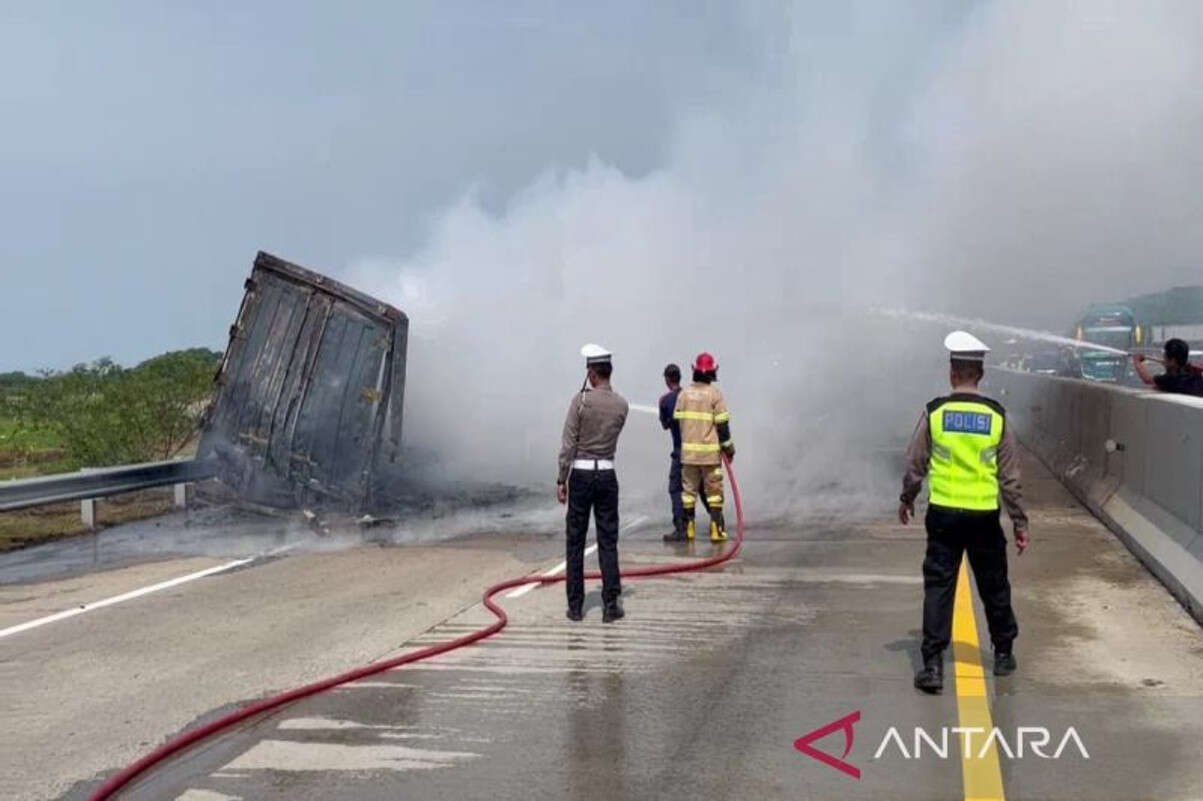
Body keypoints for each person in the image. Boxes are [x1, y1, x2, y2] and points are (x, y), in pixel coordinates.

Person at [899, 331, 1030, 694]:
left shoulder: (936, 412)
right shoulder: (996, 416)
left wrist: (907, 498)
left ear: (953, 373)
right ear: (980, 375)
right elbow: (1011, 476)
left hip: (943, 514)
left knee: (939, 587)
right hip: (983, 516)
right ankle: (1003, 653)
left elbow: (915, 462)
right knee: (993, 585)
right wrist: (1020, 522)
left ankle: (932, 666)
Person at [557, 343, 630, 623]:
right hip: (607, 475)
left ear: (592, 373)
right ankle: (611, 604)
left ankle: (575, 606)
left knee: (575, 540)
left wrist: (562, 478)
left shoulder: (581, 401)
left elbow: (568, 444)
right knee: (608, 540)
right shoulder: (622, 405)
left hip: (582, 475)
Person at [673, 352, 735, 542]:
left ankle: (689, 527)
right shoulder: (715, 395)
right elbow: (723, 427)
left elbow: (678, 422)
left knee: (688, 492)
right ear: (712, 373)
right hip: (709, 455)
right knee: (714, 493)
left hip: (689, 455)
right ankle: (716, 529)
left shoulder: (683, 394)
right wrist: (729, 448)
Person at [659, 363, 688, 542]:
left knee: (676, 488)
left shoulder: (665, 400)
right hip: (699, 450)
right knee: (702, 488)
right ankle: (717, 524)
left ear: (667, 379)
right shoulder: (690, 396)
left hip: (680, 451)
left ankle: (681, 527)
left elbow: (665, 425)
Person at [1133, 338, 1203, 396]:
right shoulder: (1195, 376)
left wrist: (1137, 362)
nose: (1163, 360)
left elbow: (1147, 380)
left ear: (1172, 361)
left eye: (1165, 357)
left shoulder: (1170, 379)